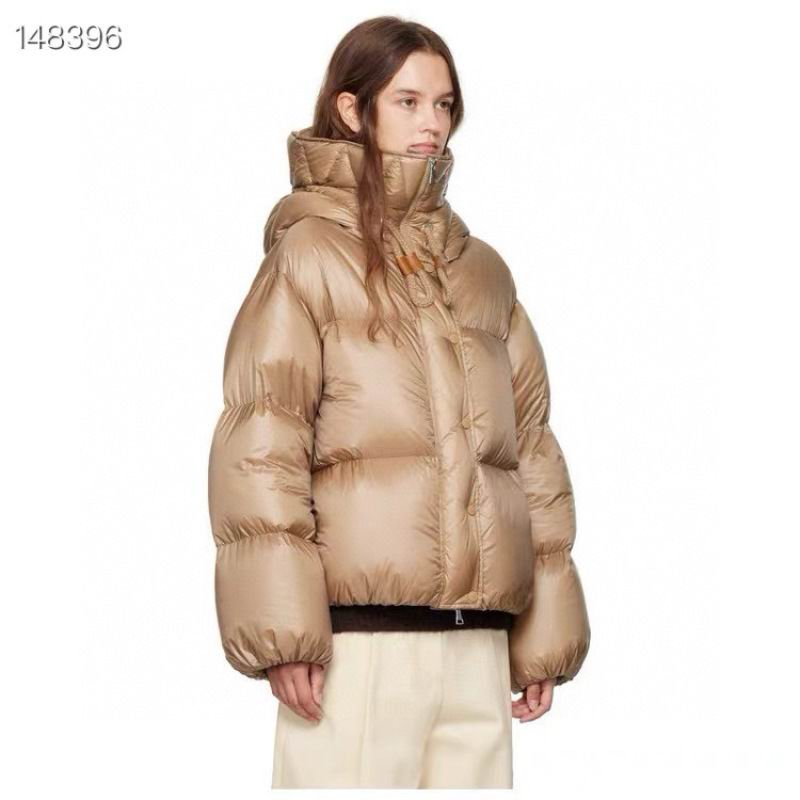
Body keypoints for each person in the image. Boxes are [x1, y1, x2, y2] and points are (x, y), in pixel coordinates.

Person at [207, 15, 591, 790]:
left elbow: (532, 454)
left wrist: (543, 635)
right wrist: (285, 630)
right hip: (358, 643)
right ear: (353, 110)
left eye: (443, 104)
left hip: (476, 642)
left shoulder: (484, 273)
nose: (431, 124)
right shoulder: (310, 256)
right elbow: (263, 441)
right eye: (407, 101)